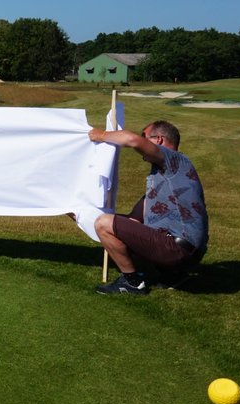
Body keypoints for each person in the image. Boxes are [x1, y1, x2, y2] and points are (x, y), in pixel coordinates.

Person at [87, 120, 208, 295]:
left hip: (177, 250)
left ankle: (133, 283)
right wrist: (83, 214)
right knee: (103, 222)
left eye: (145, 136)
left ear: (158, 139)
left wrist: (102, 135)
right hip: (186, 253)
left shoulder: (174, 159)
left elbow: (132, 140)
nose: (141, 140)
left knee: (103, 223)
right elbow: (132, 221)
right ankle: (172, 274)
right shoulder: (165, 178)